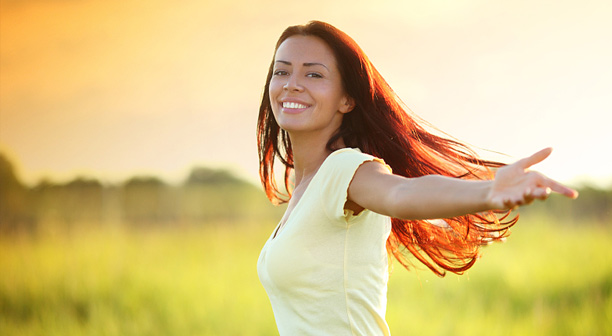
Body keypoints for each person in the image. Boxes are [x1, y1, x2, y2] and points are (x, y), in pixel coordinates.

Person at [256, 21, 578, 336]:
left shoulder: (344, 170)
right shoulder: (305, 190)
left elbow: (401, 193)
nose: (292, 84)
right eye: (282, 71)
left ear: (347, 99)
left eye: (314, 74)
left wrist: (489, 190)